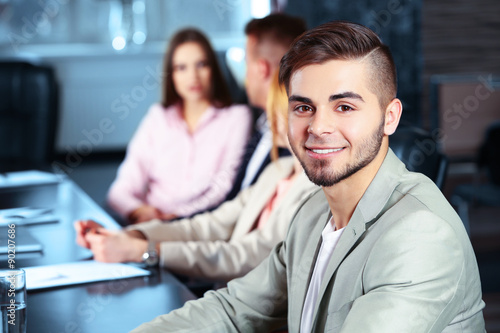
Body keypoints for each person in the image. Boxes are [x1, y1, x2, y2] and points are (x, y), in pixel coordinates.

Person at [130, 21, 486, 332]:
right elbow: (236, 309)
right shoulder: (312, 214)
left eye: (344, 107)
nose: (318, 127)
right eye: (303, 107)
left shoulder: (421, 234)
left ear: (389, 117)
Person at [74, 71, 318, 282]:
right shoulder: (278, 170)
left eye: (271, 110)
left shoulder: (314, 188)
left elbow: (249, 255)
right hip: (225, 297)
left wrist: (145, 251)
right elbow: (208, 225)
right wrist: (131, 236)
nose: (267, 120)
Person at [107, 28, 252, 224]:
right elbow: (121, 189)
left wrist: (176, 217)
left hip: (198, 223)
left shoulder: (236, 117)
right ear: (171, 75)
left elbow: (222, 188)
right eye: (181, 67)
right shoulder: (158, 117)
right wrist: (139, 211)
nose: (193, 76)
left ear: (213, 69)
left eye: (201, 64)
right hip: (148, 221)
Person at [225, 13, 307, 201]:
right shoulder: (261, 125)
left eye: (247, 64)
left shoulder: (299, 146)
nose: (246, 76)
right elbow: (232, 207)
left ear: (262, 68)